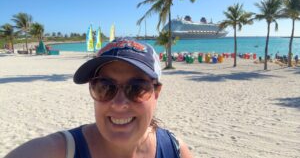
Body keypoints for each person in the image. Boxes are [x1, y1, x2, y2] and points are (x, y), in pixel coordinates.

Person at [5, 38, 193, 158]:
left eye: (136, 88)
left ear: (156, 92)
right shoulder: (60, 151)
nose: (119, 104)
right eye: (104, 87)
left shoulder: (174, 150)